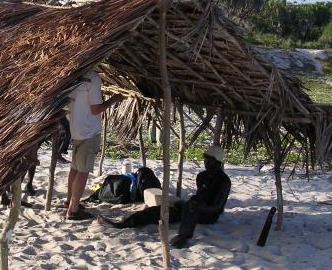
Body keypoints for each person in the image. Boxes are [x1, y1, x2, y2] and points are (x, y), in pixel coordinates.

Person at [97, 145, 231, 247]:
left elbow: (217, 208)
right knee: (160, 211)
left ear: (216, 161)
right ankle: (126, 223)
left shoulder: (223, 181)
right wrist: (186, 205)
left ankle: (183, 236)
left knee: (192, 204)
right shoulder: (201, 176)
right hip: (192, 208)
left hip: (208, 214)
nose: (205, 161)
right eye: (205, 158)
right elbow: (199, 196)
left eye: (208, 159)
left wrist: (196, 206)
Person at [66, 71, 123, 220]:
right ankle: (73, 209)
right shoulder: (92, 78)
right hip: (88, 131)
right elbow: (95, 109)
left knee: (75, 168)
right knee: (83, 171)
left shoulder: (73, 76)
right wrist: (114, 99)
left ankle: (69, 201)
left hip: (76, 129)